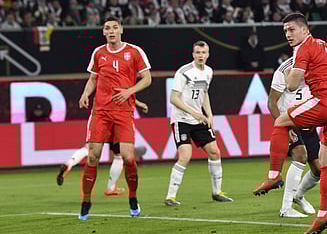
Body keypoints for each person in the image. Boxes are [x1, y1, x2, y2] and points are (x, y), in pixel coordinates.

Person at [253, 13, 327, 234]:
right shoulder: (322, 44)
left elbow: (291, 86)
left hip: (326, 101)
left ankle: (273, 177)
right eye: (286, 31)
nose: (288, 35)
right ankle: (323, 216)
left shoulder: (302, 49)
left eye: (292, 30)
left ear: (305, 30)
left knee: (280, 121)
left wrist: (296, 72)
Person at [77, 17, 152, 220]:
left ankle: (133, 198)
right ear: (103, 32)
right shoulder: (98, 52)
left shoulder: (135, 52)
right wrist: (86, 93)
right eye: (107, 28)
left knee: (128, 157)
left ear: (121, 30)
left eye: (114, 27)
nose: (111, 31)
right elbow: (93, 78)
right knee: (93, 156)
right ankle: (85, 201)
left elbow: (147, 78)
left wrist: (130, 92)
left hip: (123, 111)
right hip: (101, 111)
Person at [164, 40, 233, 206]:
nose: (200, 56)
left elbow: (204, 94)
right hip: (181, 119)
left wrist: (209, 115)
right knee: (185, 155)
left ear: (208, 54)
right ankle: (170, 196)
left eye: (203, 53)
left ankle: (217, 192)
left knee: (215, 152)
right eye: (197, 53)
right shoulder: (184, 72)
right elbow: (173, 98)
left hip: (198, 119)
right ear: (193, 54)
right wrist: (195, 113)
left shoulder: (208, 71)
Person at [56, 99, 149, 198]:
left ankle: (69, 164)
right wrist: (140, 103)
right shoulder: (118, 83)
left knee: (88, 148)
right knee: (118, 156)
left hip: (98, 116)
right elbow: (125, 92)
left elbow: (92, 84)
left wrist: (85, 94)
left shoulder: (99, 83)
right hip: (115, 117)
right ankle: (110, 188)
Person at [268, 56, 320, 218]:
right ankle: (286, 208)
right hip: (288, 121)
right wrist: (283, 125)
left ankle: (298, 195)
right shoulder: (284, 70)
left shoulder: (318, 67)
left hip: (308, 122)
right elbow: (272, 102)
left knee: (319, 170)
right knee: (300, 155)